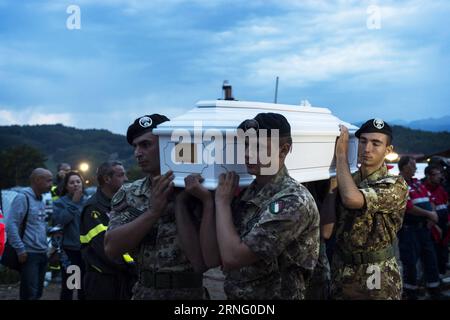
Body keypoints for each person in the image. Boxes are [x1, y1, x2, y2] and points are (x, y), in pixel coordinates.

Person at [183, 113, 320, 299]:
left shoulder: (293, 201)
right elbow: (212, 258)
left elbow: (233, 259)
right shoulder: (248, 194)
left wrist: (222, 203)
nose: (248, 153)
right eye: (246, 144)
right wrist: (209, 202)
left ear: (283, 150)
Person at [104, 114, 207, 300]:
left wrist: (180, 203)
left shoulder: (197, 190)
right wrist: (152, 213)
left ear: (168, 145)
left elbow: (201, 263)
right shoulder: (129, 193)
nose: (137, 152)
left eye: (145, 145)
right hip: (144, 292)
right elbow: (111, 248)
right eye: (135, 146)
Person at [330, 119, 408, 300]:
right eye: (363, 141)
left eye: (376, 143)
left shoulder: (396, 184)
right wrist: (332, 186)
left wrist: (341, 156)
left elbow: (352, 199)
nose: (366, 149)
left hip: (377, 273)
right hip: (342, 268)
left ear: (388, 150)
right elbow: (327, 230)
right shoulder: (349, 179)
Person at [80, 161, 137, 300]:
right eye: (121, 175)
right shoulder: (93, 208)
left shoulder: (122, 203)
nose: (126, 179)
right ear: (107, 179)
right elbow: (105, 249)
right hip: (103, 280)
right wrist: (133, 267)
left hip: (123, 277)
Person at [398, 157, 443, 299]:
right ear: (404, 167)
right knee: (410, 264)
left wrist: (432, 220)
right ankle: (410, 294)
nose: (415, 168)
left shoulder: (417, 183)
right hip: (409, 231)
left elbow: (430, 199)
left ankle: (434, 292)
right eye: (412, 165)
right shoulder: (399, 184)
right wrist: (429, 214)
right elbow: (408, 207)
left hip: (424, 229)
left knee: (431, 262)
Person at [5, 168, 53, 300]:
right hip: (29, 254)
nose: (51, 184)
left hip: (42, 252)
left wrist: (47, 246)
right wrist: (20, 249)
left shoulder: (40, 199)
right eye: (48, 180)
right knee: (29, 293)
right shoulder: (23, 198)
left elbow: (39, 225)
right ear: (37, 180)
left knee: (37, 292)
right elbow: (11, 225)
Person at [52, 170, 88, 300]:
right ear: (66, 186)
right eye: (72, 182)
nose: (76, 185)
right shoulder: (60, 203)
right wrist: (73, 203)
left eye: (78, 182)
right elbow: (60, 221)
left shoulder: (88, 201)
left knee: (84, 286)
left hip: (86, 250)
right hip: (69, 251)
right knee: (70, 285)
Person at [424, 164, 449, 279]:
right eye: (437, 175)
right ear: (429, 176)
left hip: (445, 228)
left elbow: (446, 207)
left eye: (440, 174)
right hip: (432, 230)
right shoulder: (423, 190)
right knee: (432, 257)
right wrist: (435, 228)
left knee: (443, 255)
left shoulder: (441, 189)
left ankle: (440, 279)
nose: (440, 177)